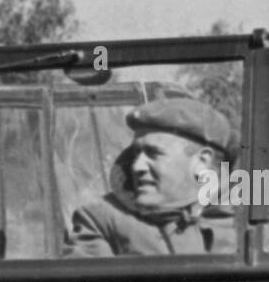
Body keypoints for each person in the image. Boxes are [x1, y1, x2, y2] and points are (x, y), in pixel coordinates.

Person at [64, 97, 237, 256]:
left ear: (202, 161)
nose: (137, 166)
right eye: (136, 153)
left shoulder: (250, 220)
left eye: (154, 154)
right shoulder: (100, 220)